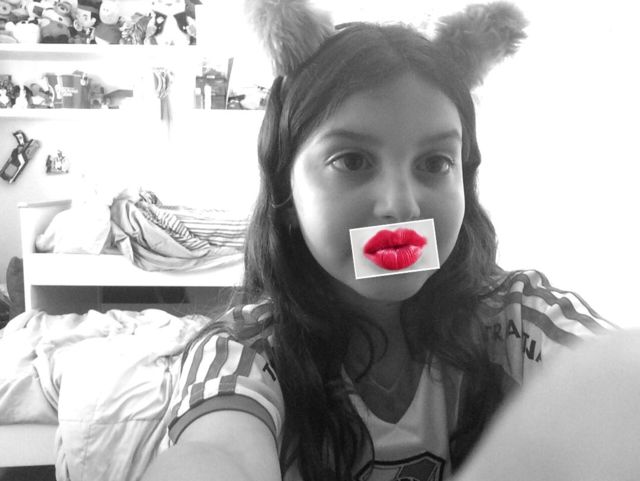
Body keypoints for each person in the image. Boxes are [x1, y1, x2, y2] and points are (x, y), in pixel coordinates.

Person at [143, 2, 617, 480]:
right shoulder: (241, 354)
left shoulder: (513, 318)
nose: (401, 206)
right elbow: (218, 454)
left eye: (435, 163)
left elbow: (616, 379)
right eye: (352, 161)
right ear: (286, 191)